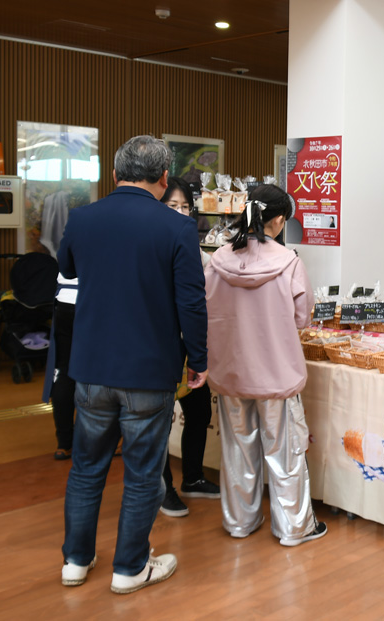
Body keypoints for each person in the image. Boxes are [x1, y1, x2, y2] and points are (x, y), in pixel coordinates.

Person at [57, 135, 208, 594]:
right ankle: (129, 568)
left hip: (92, 365)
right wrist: (198, 359)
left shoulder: (83, 219)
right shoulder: (177, 228)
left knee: (86, 468)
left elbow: (67, 271)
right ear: (164, 179)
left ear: (116, 173)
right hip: (149, 369)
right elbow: (192, 303)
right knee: (143, 471)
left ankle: (75, 563)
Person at [204, 183, 326, 546]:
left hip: (230, 372)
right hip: (276, 373)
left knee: (237, 448)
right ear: (277, 220)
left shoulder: (217, 259)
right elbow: (303, 318)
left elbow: (206, 309)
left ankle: (239, 521)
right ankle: (293, 527)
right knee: (284, 451)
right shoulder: (289, 262)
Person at [157, 177, 220, 516]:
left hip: (192, 346)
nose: (181, 213)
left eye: (185, 207)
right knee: (161, 420)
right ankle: (164, 489)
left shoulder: (193, 247)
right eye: (173, 206)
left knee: (199, 412)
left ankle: (193, 477)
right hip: (165, 346)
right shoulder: (154, 245)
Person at [43, 273, 78, 461]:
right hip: (92, 301)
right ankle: (102, 440)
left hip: (64, 301)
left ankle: (64, 444)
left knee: (64, 371)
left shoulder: (71, 241)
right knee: (97, 372)